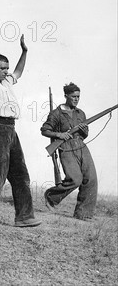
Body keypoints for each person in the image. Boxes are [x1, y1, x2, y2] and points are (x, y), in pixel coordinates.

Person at [0, 24, 41, 227]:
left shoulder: (7, 83)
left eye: (7, 68)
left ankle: (24, 217)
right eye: (2, 68)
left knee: (21, 174)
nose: (6, 72)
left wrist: (24, 51)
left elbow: (19, 71)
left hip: (11, 131)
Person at [41, 83, 97, 221]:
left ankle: (83, 214)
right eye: (73, 96)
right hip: (66, 147)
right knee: (75, 179)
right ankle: (51, 196)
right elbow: (44, 130)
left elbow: (85, 135)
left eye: (78, 96)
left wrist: (84, 132)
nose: (76, 99)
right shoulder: (56, 114)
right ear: (66, 96)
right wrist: (59, 135)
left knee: (91, 179)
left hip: (81, 146)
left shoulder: (80, 113)